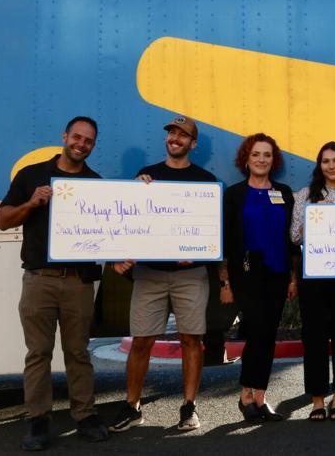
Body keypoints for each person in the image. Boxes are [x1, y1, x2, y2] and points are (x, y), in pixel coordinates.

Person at [0, 116, 110, 450]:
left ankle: (85, 416)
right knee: (38, 353)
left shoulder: (96, 184)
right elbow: (2, 220)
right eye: (77, 137)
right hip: (39, 280)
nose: (81, 144)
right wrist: (32, 203)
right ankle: (38, 420)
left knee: (78, 352)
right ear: (65, 136)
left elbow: (108, 232)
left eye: (88, 140)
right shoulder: (31, 176)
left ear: (92, 145)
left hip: (78, 283)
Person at [109, 116, 218, 432]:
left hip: (190, 275)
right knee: (141, 340)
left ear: (192, 144)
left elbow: (212, 232)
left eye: (183, 135)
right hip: (150, 274)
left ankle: (189, 407)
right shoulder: (147, 178)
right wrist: (136, 193)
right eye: (172, 132)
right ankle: (132, 406)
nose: (175, 138)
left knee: (191, 340)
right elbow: (130, 221)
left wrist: (197, 252)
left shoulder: (205, 182)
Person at [219, 133, 296, 422]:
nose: (261, 159)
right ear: (246, 159)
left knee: (268, 334)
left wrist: (292, 278)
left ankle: (258, 397)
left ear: (273, 160)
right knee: (257, 331)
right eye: (256, 154)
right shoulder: (235, 194)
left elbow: (290, 239)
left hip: (277, 272)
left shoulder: (285, 192)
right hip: (247, 273)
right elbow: (227, 241)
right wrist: (225, 282)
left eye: (267, 155)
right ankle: (246, 395)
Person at [291, 141, 335, 421]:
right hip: (314, 278)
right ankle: (317, 399)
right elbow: (294, 237)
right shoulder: (306, 194)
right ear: (319, 165)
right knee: (315, 339)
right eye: (326, 161)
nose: (331, 165)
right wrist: (315, 214)